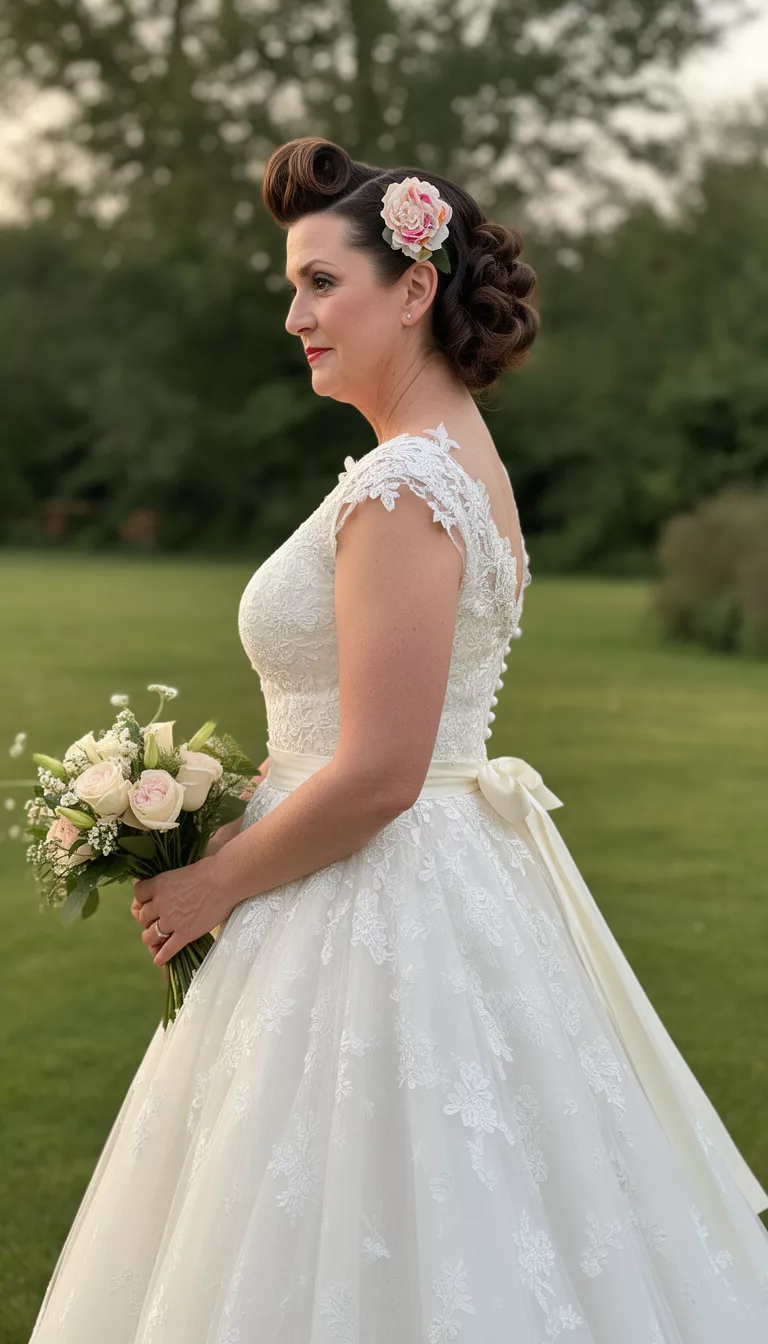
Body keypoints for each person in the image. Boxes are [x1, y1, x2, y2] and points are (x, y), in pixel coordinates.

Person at [29, 136, 768, 1343]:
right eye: (293, 285)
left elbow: (380, 772)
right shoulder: (446, 464)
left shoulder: (406, 486)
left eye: (322, 282)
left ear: (415, 288)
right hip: (409, 870)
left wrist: (209, 881)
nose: (295, 314)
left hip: (369, 896)